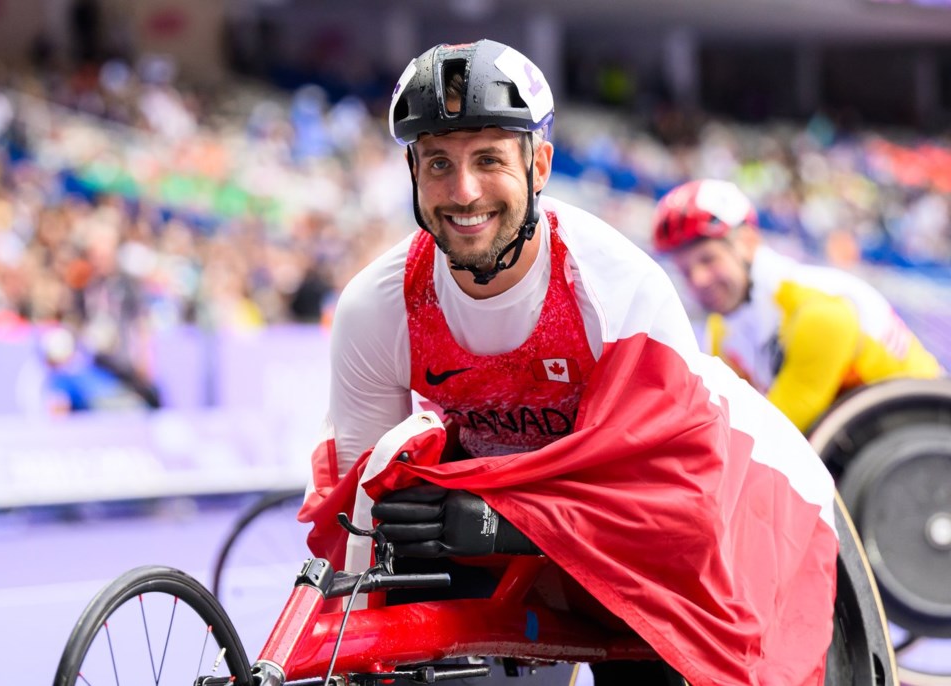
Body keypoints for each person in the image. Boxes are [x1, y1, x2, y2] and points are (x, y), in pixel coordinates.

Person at [298, 40, 840, 686]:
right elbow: (359, 527)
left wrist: (506, 522)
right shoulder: (375, 309)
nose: (463, 191)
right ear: (412, 173)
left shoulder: (618, 291)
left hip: (729, 505)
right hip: (528, 535)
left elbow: (676, 514)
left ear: (540, 165)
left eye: (489, 159)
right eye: (438, 162)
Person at [651, 178, 943, 433]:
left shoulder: (818, 313)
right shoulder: (720, 330)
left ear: (748, 243)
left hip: (928, 436)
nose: (698, 280)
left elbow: (771, 440)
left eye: (708, 260)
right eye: (686, 270)